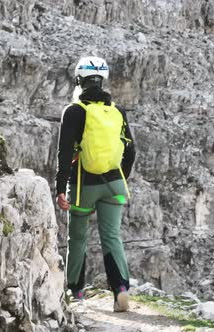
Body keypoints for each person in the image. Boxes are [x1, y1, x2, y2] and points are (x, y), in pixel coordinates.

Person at [55, 56, 136, 312]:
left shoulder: (75, 110)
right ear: (103, 80)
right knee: (112, 236)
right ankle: (120, 289)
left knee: (77, 237)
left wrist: (60, 188)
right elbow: (130, 152)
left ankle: (75, 292)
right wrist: (117, 175)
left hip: (83, 185)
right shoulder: (117, 111)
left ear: (79, 79)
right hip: (115, 185)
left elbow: (65, 153)